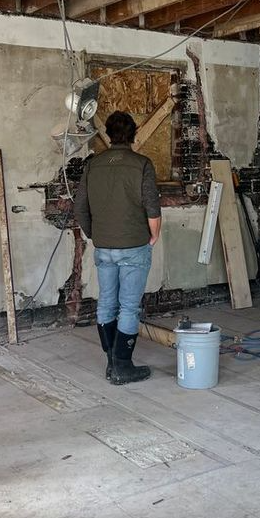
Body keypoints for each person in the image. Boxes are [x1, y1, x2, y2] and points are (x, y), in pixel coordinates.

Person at [74, 110, 161, 385]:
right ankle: (123, 365)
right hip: (134, 244)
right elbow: (152, 207)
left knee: (107, 303)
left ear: (109, 134)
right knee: (129, 307)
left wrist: (94, 234)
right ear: (133, 133)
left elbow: (79, 208)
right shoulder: (142, 164)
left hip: (104, 246)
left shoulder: (93, 165)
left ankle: (111, 361)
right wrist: (154, 235)